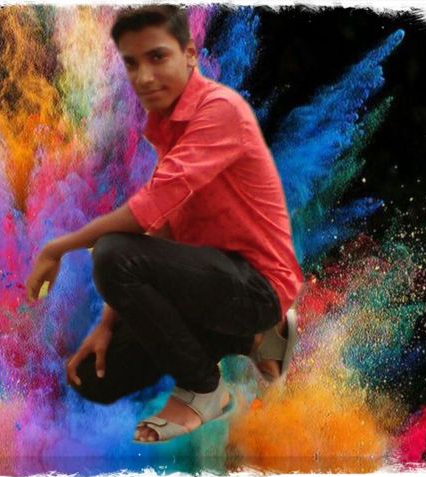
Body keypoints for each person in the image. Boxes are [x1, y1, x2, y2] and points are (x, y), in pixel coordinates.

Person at [25, 5, 303, 443]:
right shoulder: (168, 131)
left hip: (256, 287)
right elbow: (160, 232)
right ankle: (249, 340)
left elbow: (140, 219)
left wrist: (57, 248)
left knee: (111, 253)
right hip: (210, 286)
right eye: (132, 63)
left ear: (190, 55)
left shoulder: (219, 111)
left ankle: (205, 390)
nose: (144, 77)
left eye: (157, 57)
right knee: (95, 377)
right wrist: (106, 325)